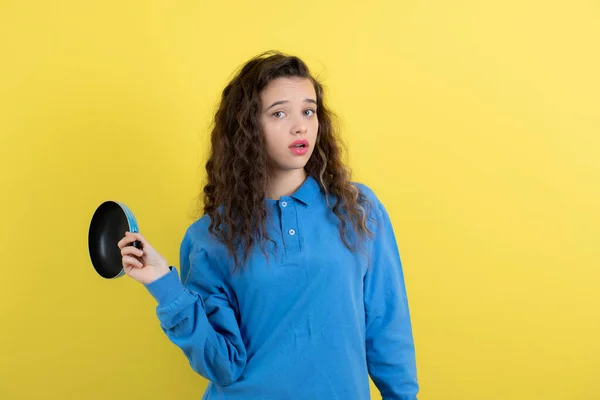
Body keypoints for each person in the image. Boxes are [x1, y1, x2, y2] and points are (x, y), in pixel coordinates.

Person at [118, 50, 419, 399]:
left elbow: (387, 327)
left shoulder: (358, 209)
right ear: (247, 127)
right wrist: (162, 283)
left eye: (309, 111)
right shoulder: (210, 237)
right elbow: (222, 365)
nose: (300, 125)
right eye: (279, 113)